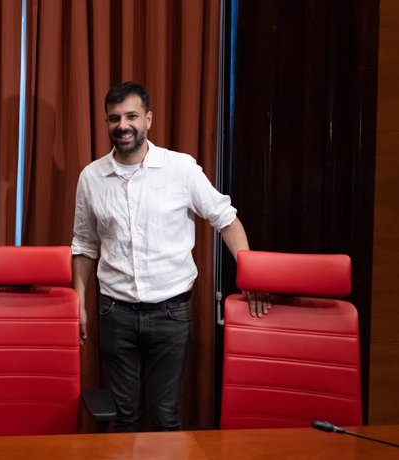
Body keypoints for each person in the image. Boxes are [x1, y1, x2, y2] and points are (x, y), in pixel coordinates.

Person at [71, 82, 270, 432]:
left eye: (132, 116)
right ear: (106, 123)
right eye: (114, 118)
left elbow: (226, 220)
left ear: (148, 119)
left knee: (165, 418)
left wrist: (251, 275)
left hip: (171, 313)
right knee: (124, 419)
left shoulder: (181, 169)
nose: (123, 125)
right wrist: (79, 301)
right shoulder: (91, 177)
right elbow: (84, 245)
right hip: (114, 313)